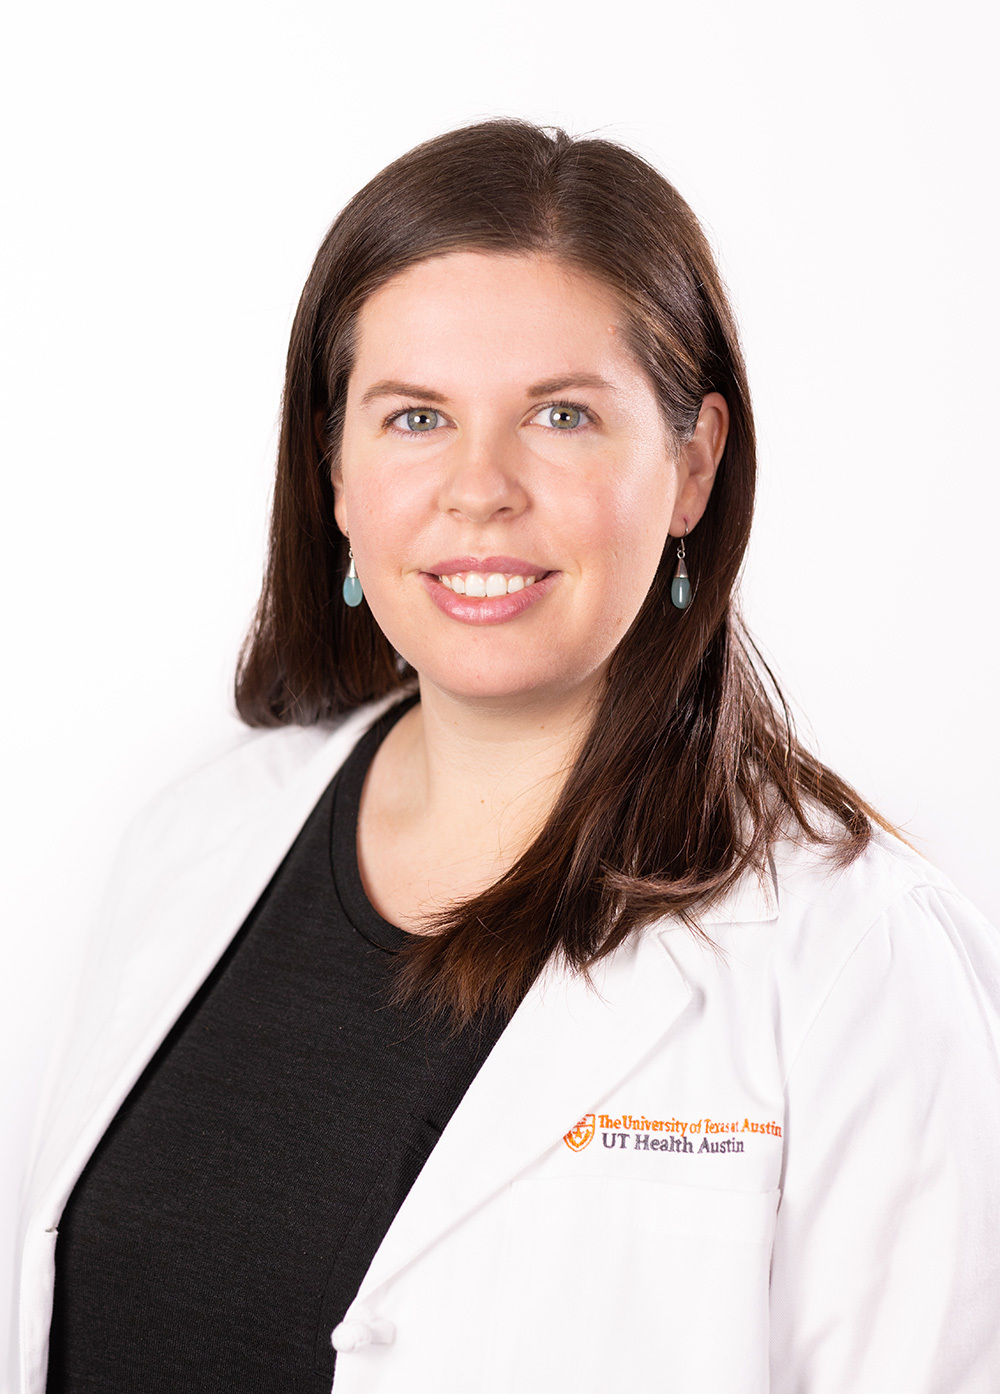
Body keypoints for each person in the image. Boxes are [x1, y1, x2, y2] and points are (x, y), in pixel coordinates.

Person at [10, 119, 1000, 1394]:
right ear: (335, 471)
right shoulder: (193, 842)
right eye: (415, 414)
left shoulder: (853, 957)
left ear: (691, 465)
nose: (479, 487)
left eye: (561, 414)